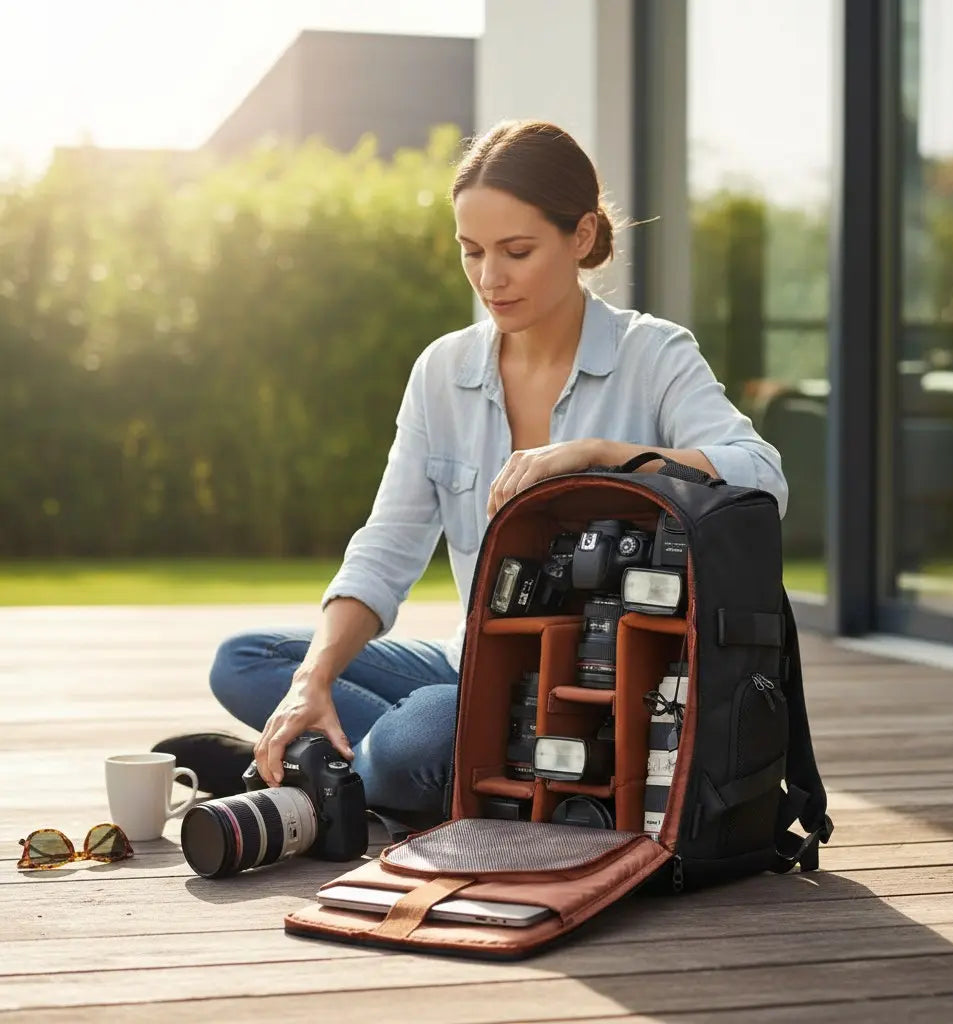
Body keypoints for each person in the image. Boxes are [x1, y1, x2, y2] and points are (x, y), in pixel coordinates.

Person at [155, 119, 787, 829]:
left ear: (581, 237)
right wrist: (313, 680)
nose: (491, 278)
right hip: (477, 662)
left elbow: (760, 478)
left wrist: (603, 455)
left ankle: (327, 776)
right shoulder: (443, 372)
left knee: (414, 741)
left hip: (606, 694)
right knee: (248, 659)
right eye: (472, 252)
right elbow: (387, 545)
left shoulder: (654, 354)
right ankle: (349, 763)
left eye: (517, 251)